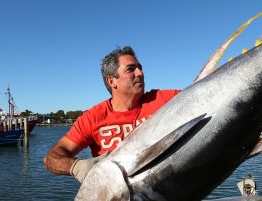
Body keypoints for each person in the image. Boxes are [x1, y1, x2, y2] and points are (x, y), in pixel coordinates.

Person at [43, 46, 180, 182]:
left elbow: (199, 94)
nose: (140, 73)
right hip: (120, 198)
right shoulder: (93, 118)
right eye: (131, 69)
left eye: (140, 68)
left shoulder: (165, 100)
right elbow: (51, 158)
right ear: (112, 81)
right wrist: (77, 166)